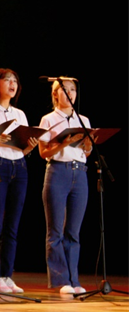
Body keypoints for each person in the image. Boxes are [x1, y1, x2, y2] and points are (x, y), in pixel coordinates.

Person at [0, 69, 37, 294]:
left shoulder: (20, 114)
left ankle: (7, 274)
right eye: (7, 80)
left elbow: (24, 148)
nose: (12, 84)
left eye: (15, 81)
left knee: (12, 225)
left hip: (19, 166)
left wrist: (31, 145)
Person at [38, 78, 92, 295]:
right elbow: (43, 152)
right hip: (58, 171)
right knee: (55, 231)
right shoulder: (48, 119)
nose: (70, 93)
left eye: (73, 90)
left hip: (80, 173)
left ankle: (74, 280)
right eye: (64, 90)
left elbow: (86, 152)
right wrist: (64, 143)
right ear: (55, 95)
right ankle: (61, 280)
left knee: (74, 232)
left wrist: (88, 146)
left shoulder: (83, 120)